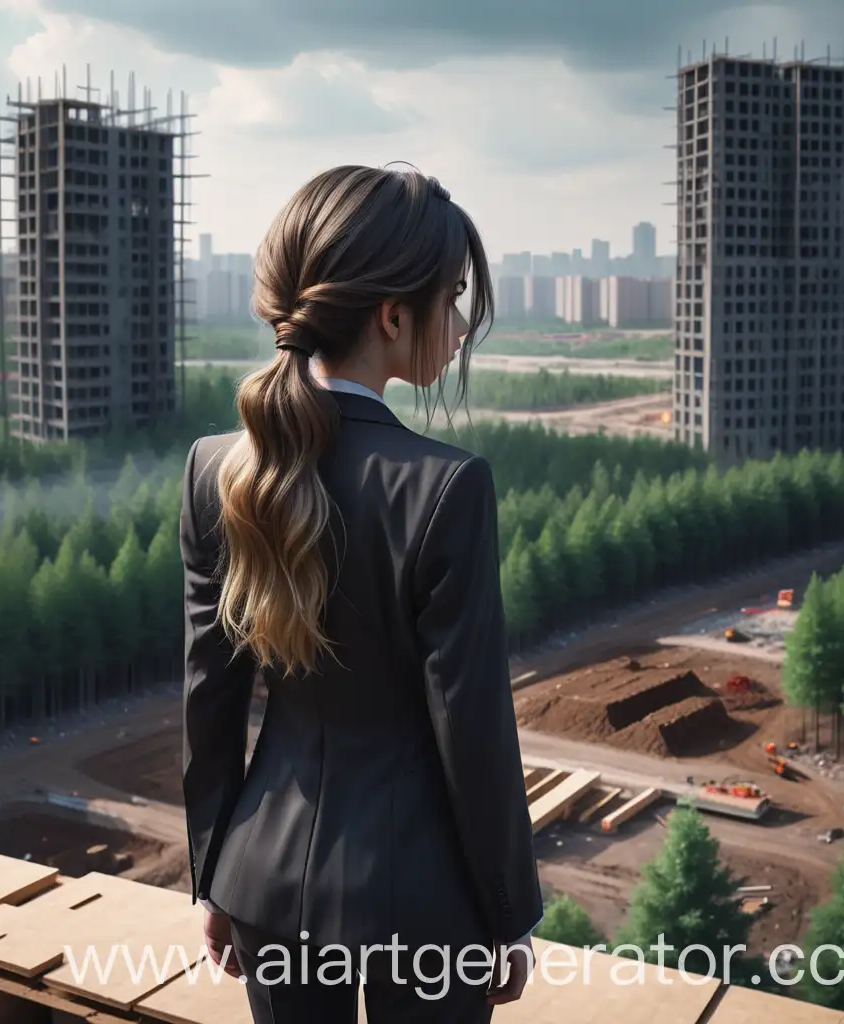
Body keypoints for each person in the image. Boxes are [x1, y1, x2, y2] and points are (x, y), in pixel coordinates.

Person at [180, 164, 542, 1023]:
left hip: (262, 887)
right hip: (423, 905)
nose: (458, 326)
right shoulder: (446, 486)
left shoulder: (213, 470)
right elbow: (474, 727)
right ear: (390, 315)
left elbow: (209, 699)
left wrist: (213, 875)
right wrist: (509, 913)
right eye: (450, 298)